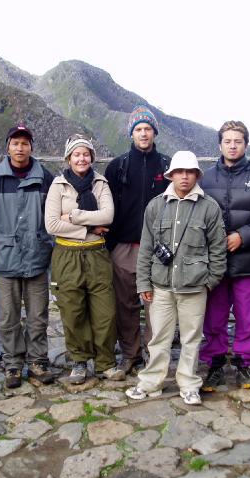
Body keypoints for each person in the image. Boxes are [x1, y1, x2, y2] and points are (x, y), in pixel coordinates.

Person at [125, 151, 226, 405]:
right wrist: (143, 283)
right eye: (179, 172)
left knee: (192, 338)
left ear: (196, 175)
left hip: (194, 287)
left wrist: (210, 281)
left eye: (189, 172)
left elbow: (218, 249)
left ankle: (189, 383)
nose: (184, 176)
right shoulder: (156, 206)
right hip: (160, 286)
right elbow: (146, 247)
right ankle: (151, 383)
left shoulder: (209, 208)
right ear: (171, 175)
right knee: (159, 336)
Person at [199, 121, 250, 391]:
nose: (232, 145)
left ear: (245, 144)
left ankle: (245, 364)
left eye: (238, 141)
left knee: (248, 317)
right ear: (220, 144)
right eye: (228, 141)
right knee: (214, 317)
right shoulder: (206, 179)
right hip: (215, 264)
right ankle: (215, 363)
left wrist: (242, 236)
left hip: (248, 260)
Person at [45, 135, 125, 384]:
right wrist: (90, 228)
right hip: (67, 255)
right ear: (68, 158)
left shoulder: (100, 183)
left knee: (105, 311)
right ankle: (79, 362)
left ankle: (106, 362)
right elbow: (52, 224)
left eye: (86, 154)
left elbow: (108, 215)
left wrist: (74, 215)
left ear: (92, 157)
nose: (81, 158)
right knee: (73, 310)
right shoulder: (58, 185)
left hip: (97, 255)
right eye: (76, 154)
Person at [0, 124, 55, 389]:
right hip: (6, 260)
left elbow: (52, 215)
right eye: (15, 143)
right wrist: (2, 239)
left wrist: (41, 241)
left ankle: (38, 361)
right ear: (7, 147)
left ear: (31, 147)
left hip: (36, 258)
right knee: (8, 317)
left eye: (25, 143)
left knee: (38, 316)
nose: (20, 148)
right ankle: (13, 363)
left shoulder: (45, 177)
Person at [104, 105, 170, 373]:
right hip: (125, 246)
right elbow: (106, 207)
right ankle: (130, 354)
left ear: (155, 133)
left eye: (148, 129)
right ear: (131, 133)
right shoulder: (117, 167)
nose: (143, 134)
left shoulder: (168, 166)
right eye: (138, 129)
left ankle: (153, 357)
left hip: (159, 249)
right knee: (126, 304)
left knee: (156, 306)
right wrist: (111, 245)